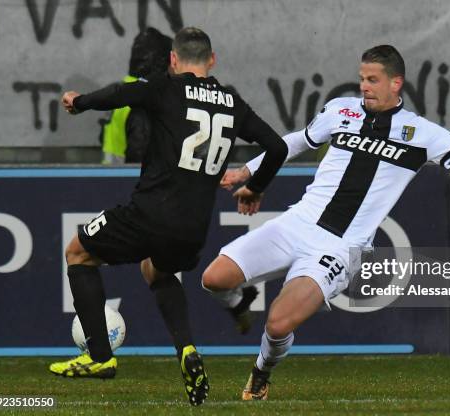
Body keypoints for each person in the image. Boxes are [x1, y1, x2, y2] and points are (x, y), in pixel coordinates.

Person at [201, 45, 450, 401]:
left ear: (396, 83)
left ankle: (262, 371)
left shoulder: (420, 133)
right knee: (213, 279)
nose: (364, 86)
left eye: (373, 79)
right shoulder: (341, 110)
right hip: (296, 222)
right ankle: (240, 301)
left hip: (338, 247)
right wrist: (247, 170)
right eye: (362, 78)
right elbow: (298, 140)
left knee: (279, 324)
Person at [49, 27, 288, 407]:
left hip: (149, 213)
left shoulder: (165, 87)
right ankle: (186, 348)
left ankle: (99, 358)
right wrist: (256, 187)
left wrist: (80, 102)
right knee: (156, 270)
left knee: (77, 252)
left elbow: (119, 94)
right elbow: (276, 147)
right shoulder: (231, 102)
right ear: (212, 60)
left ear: (173, 60)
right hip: (193, 228)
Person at [100, 27, 172, 164]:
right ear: (159, 62)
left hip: (109, 175)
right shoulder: (142, 98)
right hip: (125, 179)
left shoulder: (118, 90)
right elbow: (139, 153)